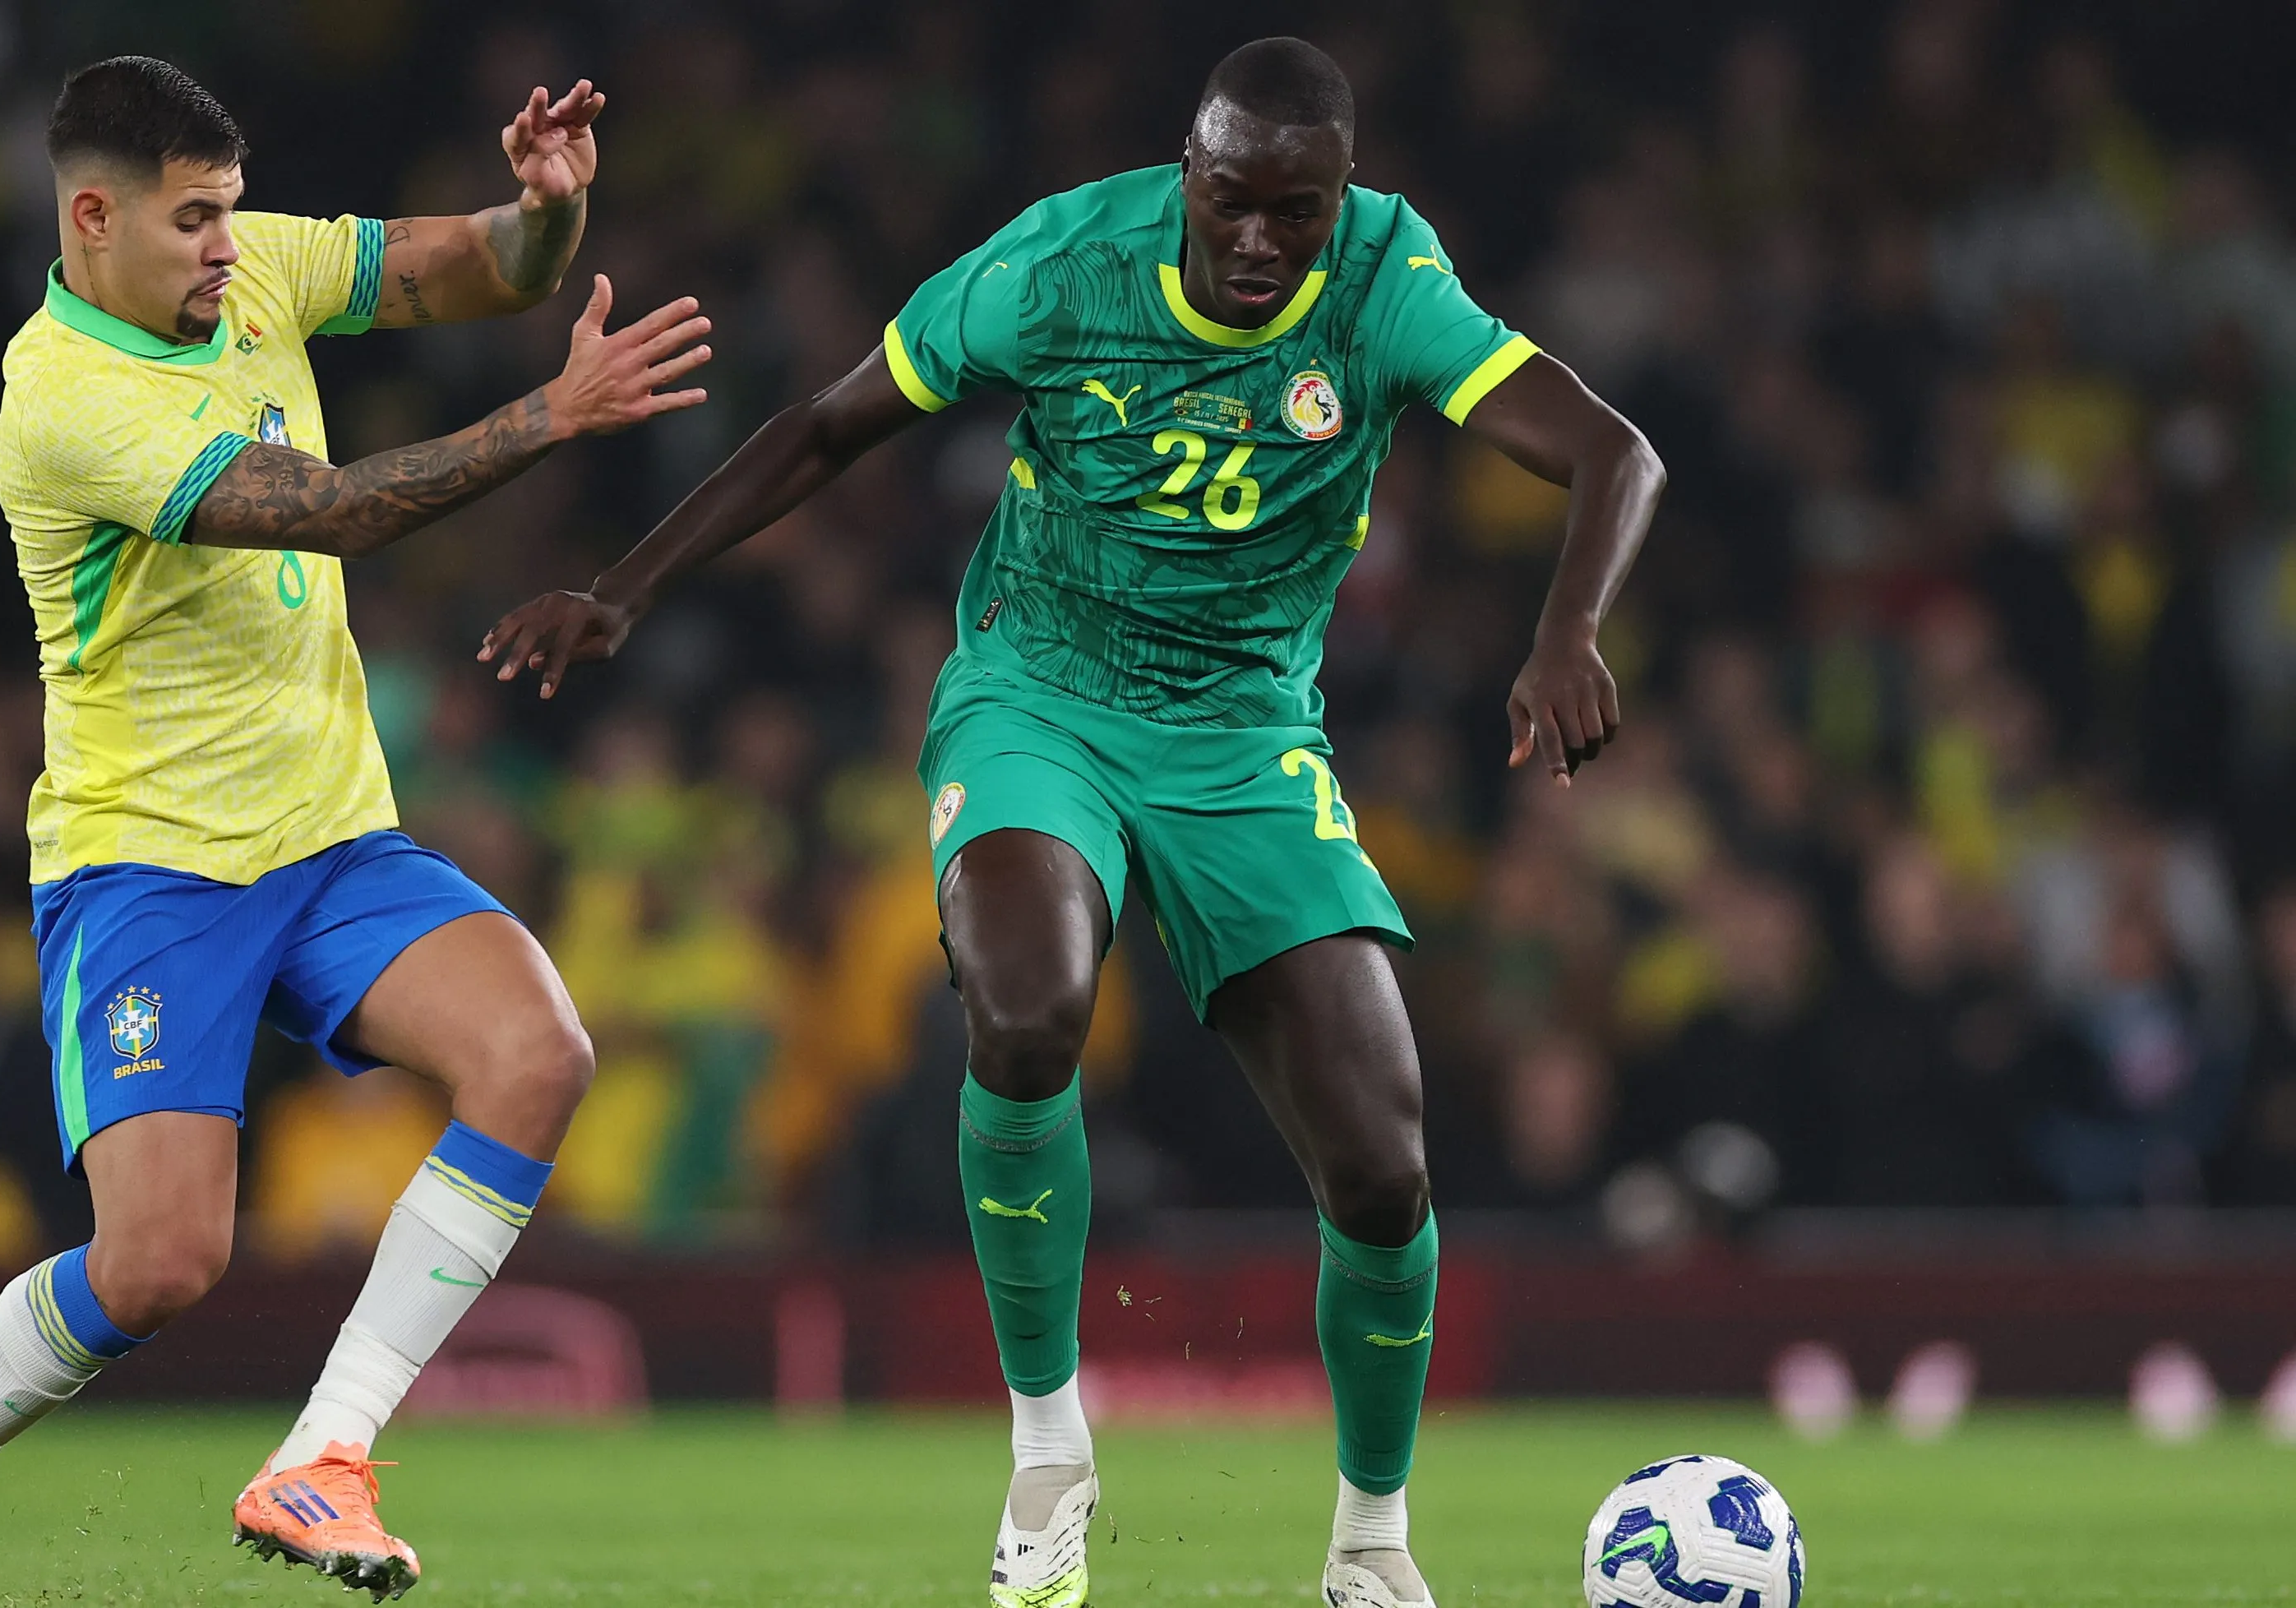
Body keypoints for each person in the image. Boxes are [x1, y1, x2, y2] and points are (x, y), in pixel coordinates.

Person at [484, 39, 1661, 1608]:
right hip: (1039, 695)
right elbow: (831, 426)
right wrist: (625, 589)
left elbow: (1609, 451)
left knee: (1383, 1170)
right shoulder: (1054, 267)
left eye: (1294, 213)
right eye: (1233, 202)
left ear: (1340, 197)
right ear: (1188, 172)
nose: (1259, 242)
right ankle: (1048, 1451)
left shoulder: (1385, 279)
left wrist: (1567, 628)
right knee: (1027, 1015)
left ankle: (1370, 1549)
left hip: (1244, 734)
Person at [0, 56, 712, 1606]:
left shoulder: (248, 275)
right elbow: (324, 505)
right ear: (94, 218)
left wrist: (544, 212)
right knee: (160, 1267)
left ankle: (324, 1455)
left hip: (327, 839)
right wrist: (550, 416)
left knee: (537, 1051)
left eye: (233, 215)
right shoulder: (60, 401)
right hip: (149, 865)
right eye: (192, 224)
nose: (227, 251)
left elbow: (473, 270)